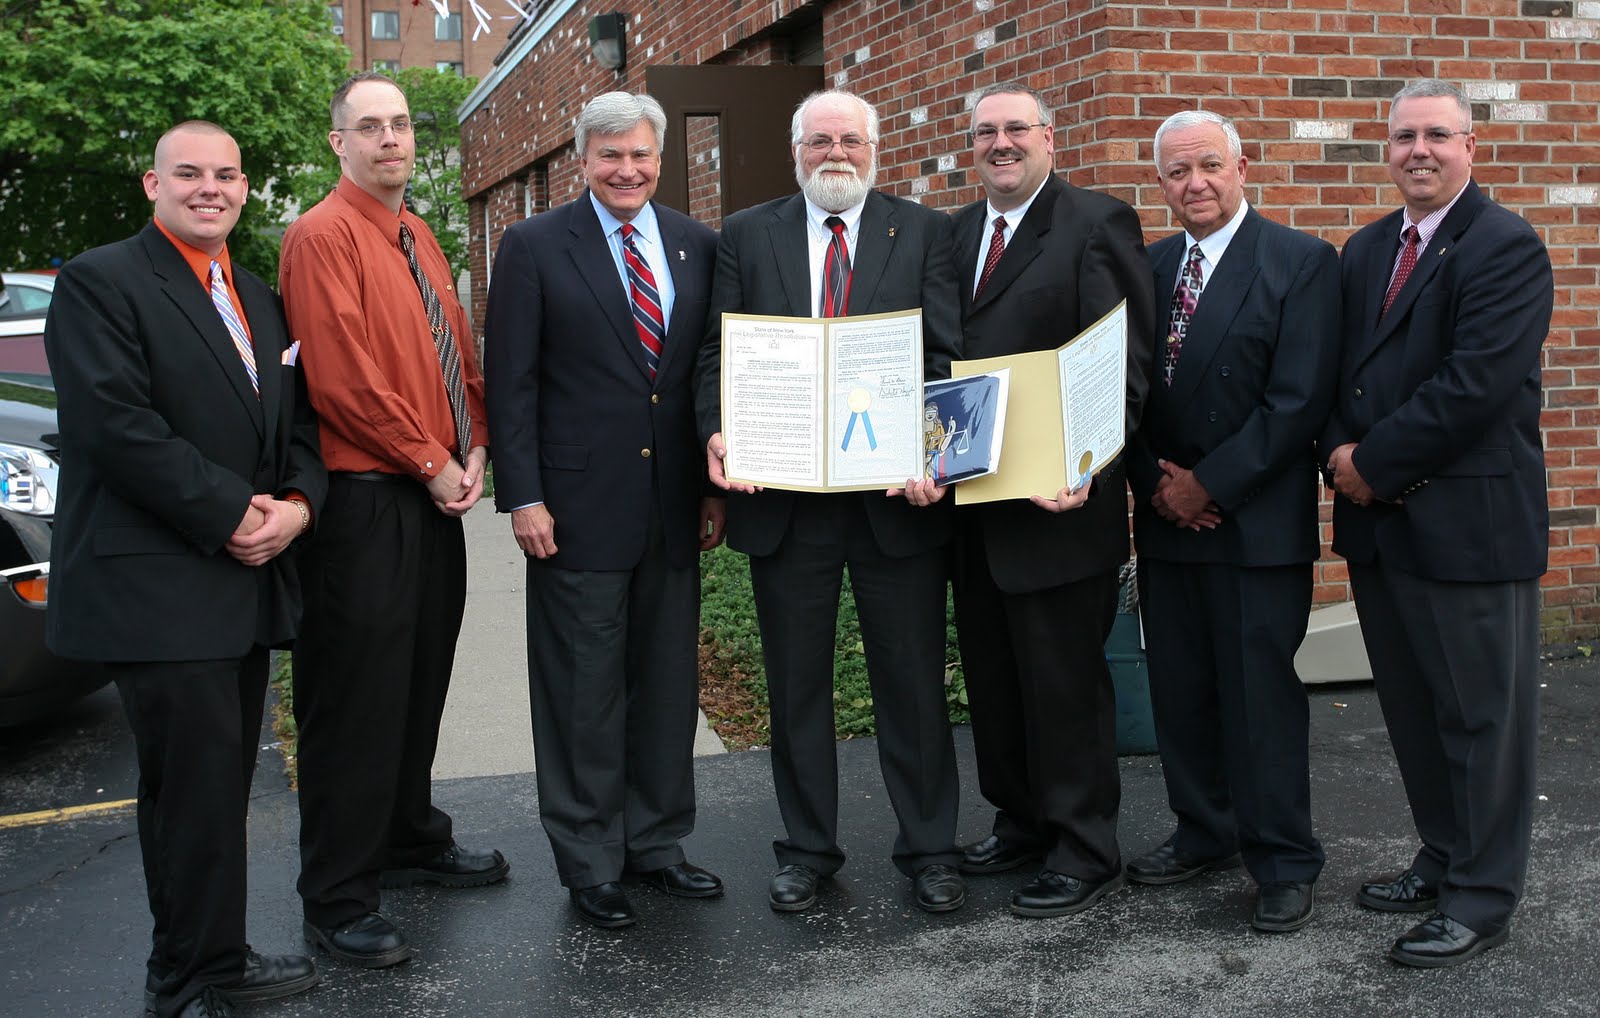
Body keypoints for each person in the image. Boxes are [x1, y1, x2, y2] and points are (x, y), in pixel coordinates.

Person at [44, 121, 326, 1018]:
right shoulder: (101, 281)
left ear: (246, 189)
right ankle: (187, 978)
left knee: (218, 785)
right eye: (190, 174)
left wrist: (297, 507)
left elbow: (301, 428)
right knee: (188, 792)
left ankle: (215, 955)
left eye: (228, 175)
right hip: (159, 581)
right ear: (151, 184)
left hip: (243, 575)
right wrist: (231, 511)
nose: (212, 188)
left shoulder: (255, 294)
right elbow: (113, 426)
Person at [693, 89, 966, 914]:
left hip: (895, 498)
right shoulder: (746, 233)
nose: (835, 153)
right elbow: (718, 352)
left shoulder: (923, 230)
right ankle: (807, 850)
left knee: (913, 684)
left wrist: (936, 453)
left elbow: (948, 356)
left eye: (850, 140)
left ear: (875, 149)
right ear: (795, 151)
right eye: (819, 142)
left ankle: (930, 851)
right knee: (797, 686)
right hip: (787, 500)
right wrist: (717, 431)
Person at [279, 72, 507, 968]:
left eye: (402, 124)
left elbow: (456, 354)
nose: (389, 139)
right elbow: (342, 380)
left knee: (420, 676)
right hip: (369, 499)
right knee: (354, 699)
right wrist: (433, 459)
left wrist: (477, 441)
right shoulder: (320, 236)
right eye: (368, 126)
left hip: (433, 494)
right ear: (340, 143)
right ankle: (336, 897)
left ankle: (410, 836)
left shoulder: (418, 235)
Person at [1323, 78, 1552, 968]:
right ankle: (1442, 855)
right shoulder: (1369, 248)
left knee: (1481, 719)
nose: (1419, 150)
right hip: (1384, 532)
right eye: (1403, 137)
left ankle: (1484, 895)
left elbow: (1474, 389)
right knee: (1416, 711)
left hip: (1469, 528)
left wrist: (1368, 465)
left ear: (1470, 145)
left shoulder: (1505, 247)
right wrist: (1340, 449)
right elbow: (1343, 371)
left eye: (1437, 135)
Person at [482, 92, 724, 929]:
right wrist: (523, 495)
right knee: (583, 692)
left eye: (641, 156)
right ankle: (590, 861)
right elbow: (510, 381)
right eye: (610, 155)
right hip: (573, 507)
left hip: (671, 505)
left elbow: (701, 373)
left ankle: (656, 843)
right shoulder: (534, 245)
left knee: (664, 684)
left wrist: (709, 489)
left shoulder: (696, 246)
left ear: (662, 160)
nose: (628, 171)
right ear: (582, 159)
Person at [1125, 110, 1340, 933]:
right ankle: (1203, 831)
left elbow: (1297, 402)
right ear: (1161, 186)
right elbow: (1124, 394)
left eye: (1209, 165)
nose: (1195, 184)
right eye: (1177, 172)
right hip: (1168, 521)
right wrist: (1154, 483)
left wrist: (1208, 485)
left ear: (1242, 166)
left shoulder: (1299, 262)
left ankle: (1283, 858)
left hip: (1254, 524)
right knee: (1180, 691)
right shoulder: (1145, 268)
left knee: (1259, 700)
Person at [949, 82, 1157, 918]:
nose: (1001, 143)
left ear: (1048, 139)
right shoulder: (956, 232)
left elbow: (1124, 359)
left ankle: (1084, 846)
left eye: (1016, 130)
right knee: (997, 680)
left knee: (1064, 685)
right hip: (975, 506)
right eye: (986, 132)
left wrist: (1090, 464)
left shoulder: (1096, 223)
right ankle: (1020, 820)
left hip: (1060, 504)